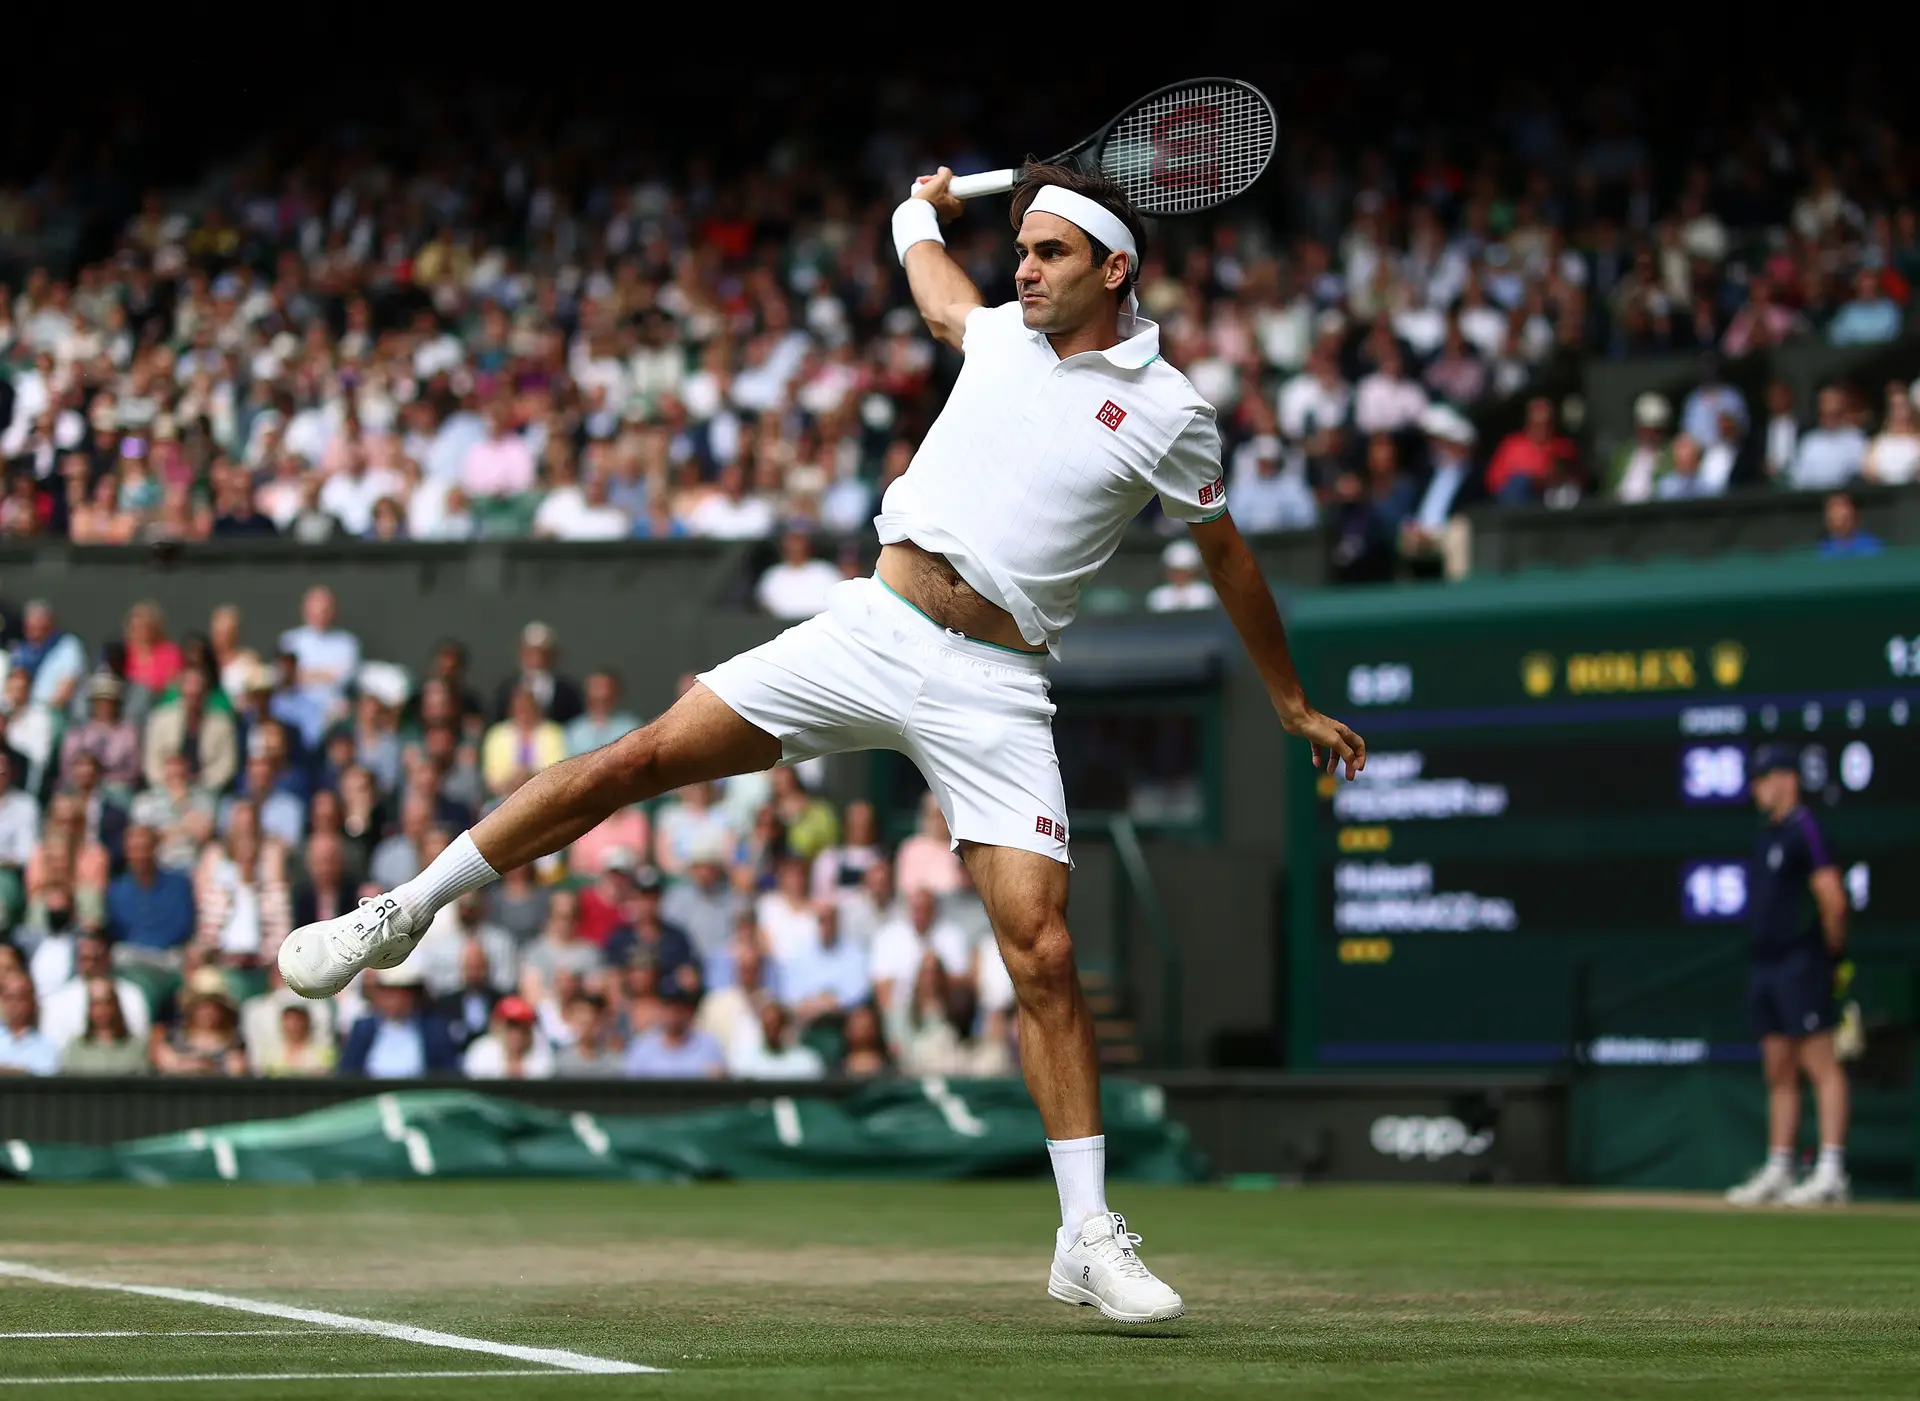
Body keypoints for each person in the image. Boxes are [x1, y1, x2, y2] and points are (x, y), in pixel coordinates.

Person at [279, 161, 1366, 1326]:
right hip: (874, 629)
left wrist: (1289, 700)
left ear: (1116, 269)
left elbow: (1227, 557)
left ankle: (1084, 1237)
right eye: (1022, 250)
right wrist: (915, 210)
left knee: (1042, 952)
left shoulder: (1172, 411)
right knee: (636, 759)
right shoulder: (995, 333)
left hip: (997, 690)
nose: (1026, 268)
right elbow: (931, 281)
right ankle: (403, 911)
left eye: (1051, 252)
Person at [1725, 746, 1852, 1207]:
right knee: (1778, 1067)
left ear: (1786, 779)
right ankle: (1780, 1167)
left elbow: (1833, 901)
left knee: (1820, 1063)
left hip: (1803, 963)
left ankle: (1832, 1170)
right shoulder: (1767, 835)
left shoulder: (1807, 830)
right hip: (1766, 964)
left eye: (1763, 779)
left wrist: (1831, 957)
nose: (1757, 789)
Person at [58, 976, 151, 1075]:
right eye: (96, 1004)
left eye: (106, 1003)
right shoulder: (75, 1048)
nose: (101, 1010)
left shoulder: (136, 1047)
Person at [756, 521, 843, 620]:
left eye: (798, 540)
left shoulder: (825, 571)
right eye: (791, 541)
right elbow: (768, 606)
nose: (795, 546)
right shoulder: (772, 575)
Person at [1145, 538, 1217, 613]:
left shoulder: (1206, 594)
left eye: (1183, 571)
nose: (1178, 575)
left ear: (1193, 572)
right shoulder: (1158, 595)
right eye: (1174, 570)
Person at [1817, 491, 1883, 558]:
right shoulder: (1822, 548)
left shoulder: (1871, 546)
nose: (1837, 513)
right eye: (1831, 508)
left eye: (1841, 506)